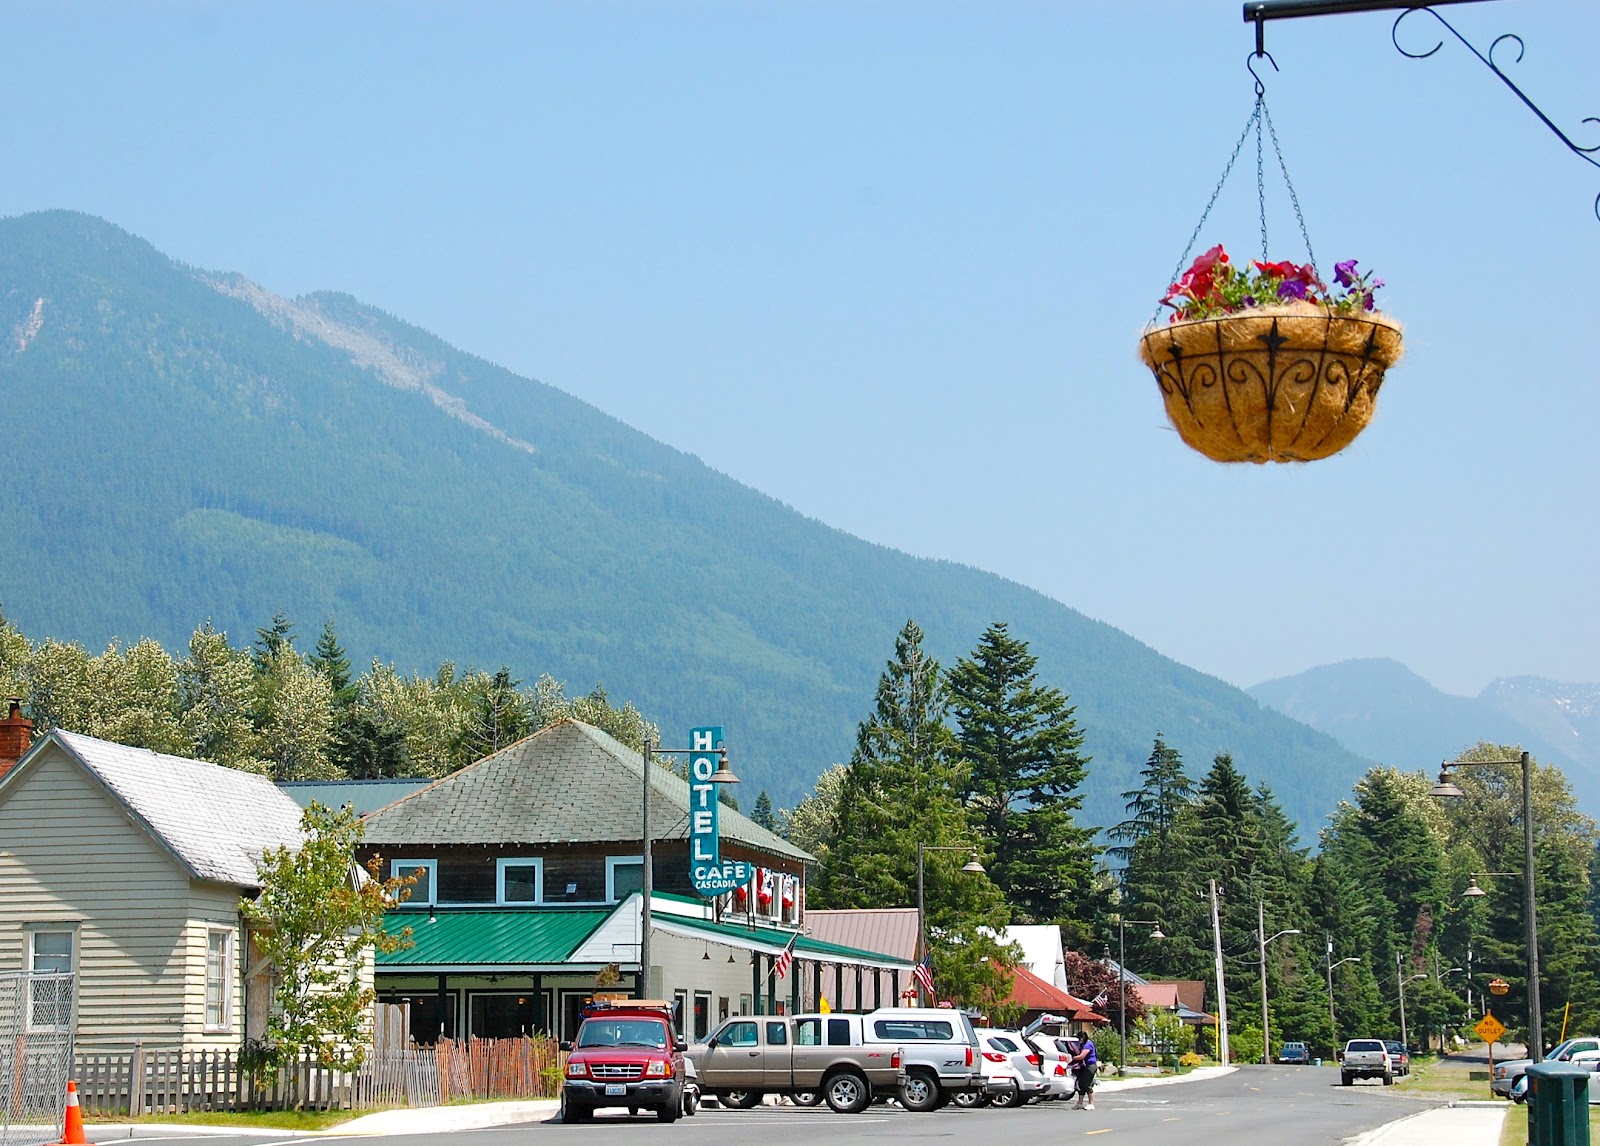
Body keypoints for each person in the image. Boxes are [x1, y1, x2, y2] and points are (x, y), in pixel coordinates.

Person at [1070, 1032, 1098, 1110]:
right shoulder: (1082, 1044)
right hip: (1083, 1066)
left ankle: (1091, 1103)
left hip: (1090, 1066)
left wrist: (1072, 1058)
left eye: (1081, 1038)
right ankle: (1080, 1103)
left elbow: (1082, 1056)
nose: (1080, 1040)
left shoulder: (1088, 1044)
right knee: (1081, 1085)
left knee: (1087, 1084)